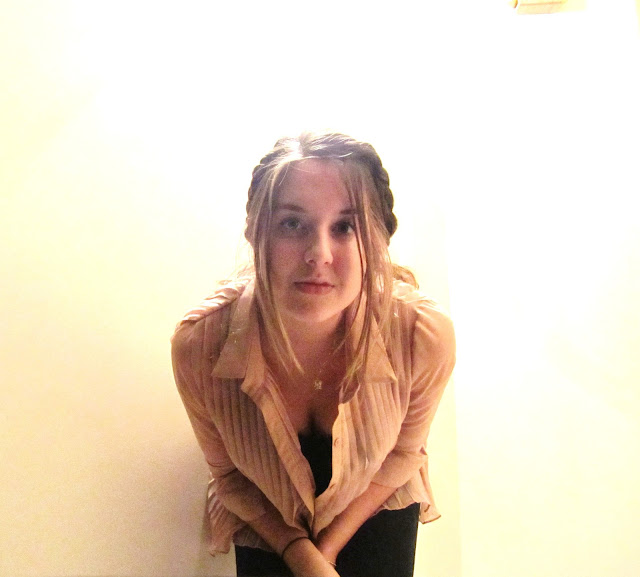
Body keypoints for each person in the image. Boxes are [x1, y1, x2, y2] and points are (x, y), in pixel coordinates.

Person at [171, 131, 456, 577]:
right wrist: (298, 554)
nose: (318, 254)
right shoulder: (198, 347)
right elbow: (230, 478)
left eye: (345, 227)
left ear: (378, 241)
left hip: (375, 499)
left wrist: (327, 550)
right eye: (292, 224)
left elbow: (404, 452)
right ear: (255, 232)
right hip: (267, 515)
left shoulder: (422, 337)